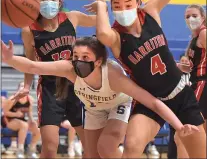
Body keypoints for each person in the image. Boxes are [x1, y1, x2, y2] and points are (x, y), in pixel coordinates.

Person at [1, 36, 201, 158]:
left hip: (118, 103)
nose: (78, 61)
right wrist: (10, 59)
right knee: (91, 154)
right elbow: (33, 66)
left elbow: (154, 102)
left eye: (85, 57)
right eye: (75, 56)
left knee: (106, 146)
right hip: (94, 108)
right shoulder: (69, 69)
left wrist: (179, 125)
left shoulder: (112, 76)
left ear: (98, 62)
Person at [83, 0, 206, 158]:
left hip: (181, 94)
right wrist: (101, 4)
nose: (122, 10)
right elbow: (101, 33)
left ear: (138, 2)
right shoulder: (117, 37)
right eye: (116, 6)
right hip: (149, 100)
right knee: (132, 145)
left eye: (128, 4)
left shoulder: (150, 11)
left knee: (199, 154)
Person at [11, 0, 104, 158]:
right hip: (49, 88)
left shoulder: (72, 18)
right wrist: (26, 85)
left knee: (91, 146)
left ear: (60, 2)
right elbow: (30, 60)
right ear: (36, 2)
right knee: (50, 147)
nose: (49, 2)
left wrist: (100, 0)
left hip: (78, 86)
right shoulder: (29, 29)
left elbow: (101, 20)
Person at [175, 4, 206, 158]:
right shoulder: (194, 39)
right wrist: (182, 66)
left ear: (203, 17)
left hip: (202, 84)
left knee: (184, 134)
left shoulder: (204, 34)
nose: (190, 19)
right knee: (189, 134)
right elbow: (190, 68)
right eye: (187, 16)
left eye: (194, 15)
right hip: (196, 83)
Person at [2, 82, 40, 158]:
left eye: (25, 86)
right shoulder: (12, 99)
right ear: (18, 89)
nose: (23, 88)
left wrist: (32, 121)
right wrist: (16, 114)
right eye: (21, 86)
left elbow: (29, 112)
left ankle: (31, 149)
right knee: (24, 125)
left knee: (37, 128)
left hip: (22, 121)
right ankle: (20, 150)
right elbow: (5, 112)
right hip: (9, 121)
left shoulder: (30, 99)